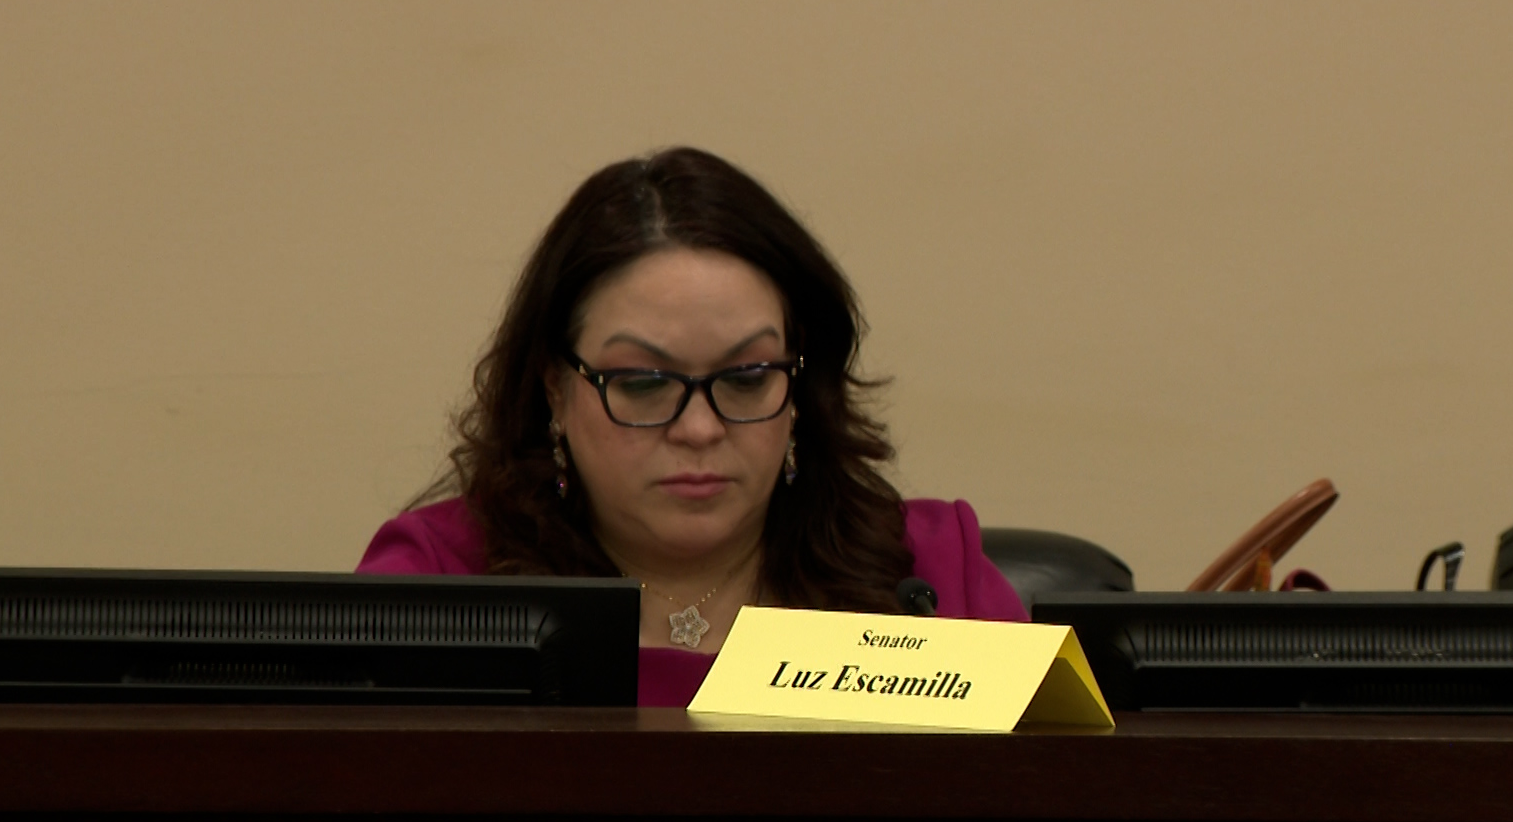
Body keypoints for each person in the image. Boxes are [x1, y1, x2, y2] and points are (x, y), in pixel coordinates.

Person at [358, 147, 1026, 706]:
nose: (700, 429)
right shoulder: (441, 585)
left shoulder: (933, 580)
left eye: (746, 378)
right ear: (555, 391)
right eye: (645, 384)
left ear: (798, 389)